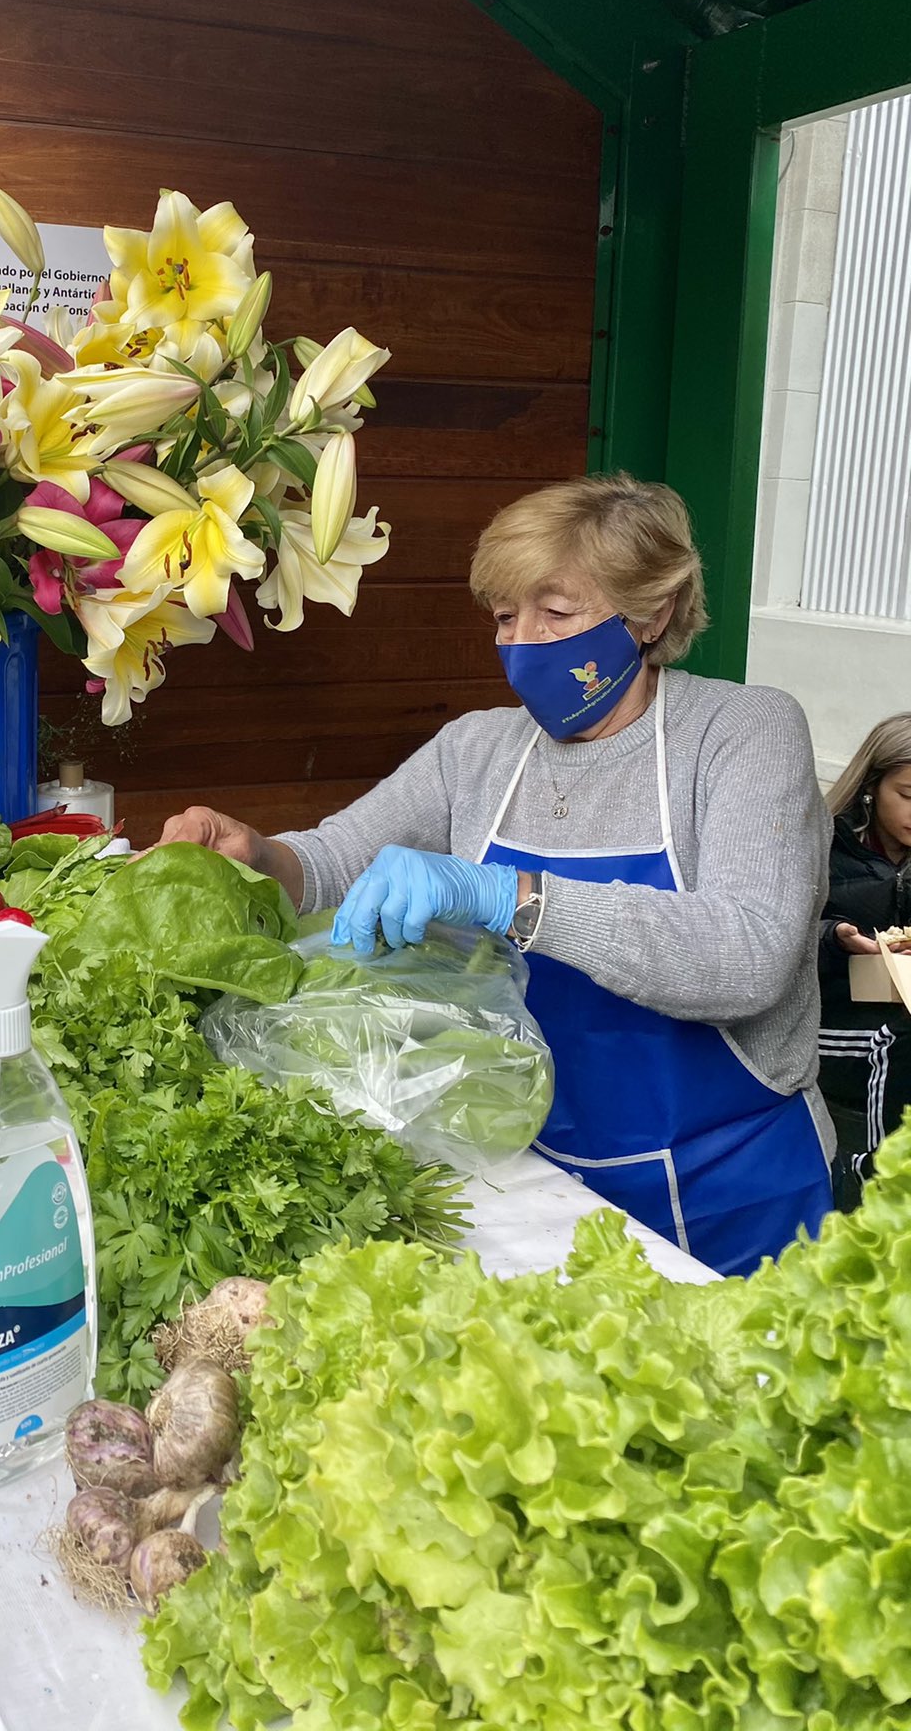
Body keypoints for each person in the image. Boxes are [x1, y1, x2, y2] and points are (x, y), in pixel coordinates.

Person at [163, 474, 833, 1276]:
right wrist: (260, 854)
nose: (523, 643)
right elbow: (341, 860)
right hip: (537, 1172)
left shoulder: (741, 732)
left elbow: (749, 954)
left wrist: (509, 897)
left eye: (556, 613)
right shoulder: (477, 750)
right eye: (506, 617)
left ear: (651, 612)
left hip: (733, 1186)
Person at [816, 714, 911, 1206]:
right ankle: (876, 1181)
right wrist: (834, 937)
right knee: (896, 1039)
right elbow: (773, 935)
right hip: (831, 1021)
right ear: (872, 787)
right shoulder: (822, 845)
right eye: (909, 796)